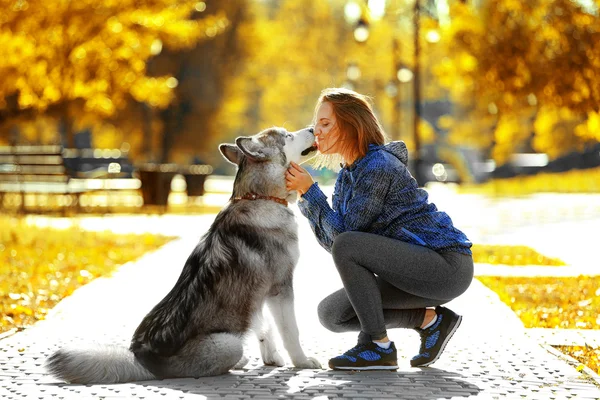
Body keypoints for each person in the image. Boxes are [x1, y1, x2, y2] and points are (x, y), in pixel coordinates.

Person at [285, 87, 474, 370]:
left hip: (446, 266)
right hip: (412, 269)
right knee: (332, 314)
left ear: (351, 125)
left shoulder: (377, 166)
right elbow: (335, 243)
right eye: (317, 124)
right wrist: (306, 195)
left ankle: (378, 346)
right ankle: (432, 321)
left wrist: (311, 191)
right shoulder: (349, 174)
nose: (317, 131)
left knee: (348, 245)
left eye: (325, 124)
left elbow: (344, 240)